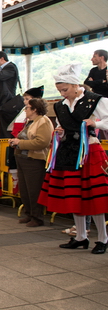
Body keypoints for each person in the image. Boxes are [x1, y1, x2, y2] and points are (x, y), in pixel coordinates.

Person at [38, 63, 108, 254]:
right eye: (60, 90)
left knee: (94, 197)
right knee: (74, 195)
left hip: (89, 151)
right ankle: (80, 237)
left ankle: (102, 238)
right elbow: (63, 126)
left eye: (65, 89)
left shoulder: (95, 100)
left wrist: (97, 122)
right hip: (68, 152)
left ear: (76, 85)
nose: (62, 94)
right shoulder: (60, 106)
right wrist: (59, 132)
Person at [9, 98, 53, 227]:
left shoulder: (43, 121)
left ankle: (37, 217)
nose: (25, 110)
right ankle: (29, 214)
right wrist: (15, 142)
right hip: (23, 158)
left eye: (27, 108)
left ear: (34, 109)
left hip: (34, 160)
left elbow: (42, 142)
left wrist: (20, 143)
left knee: (34, 190)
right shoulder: (30, 122)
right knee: (25, 189)